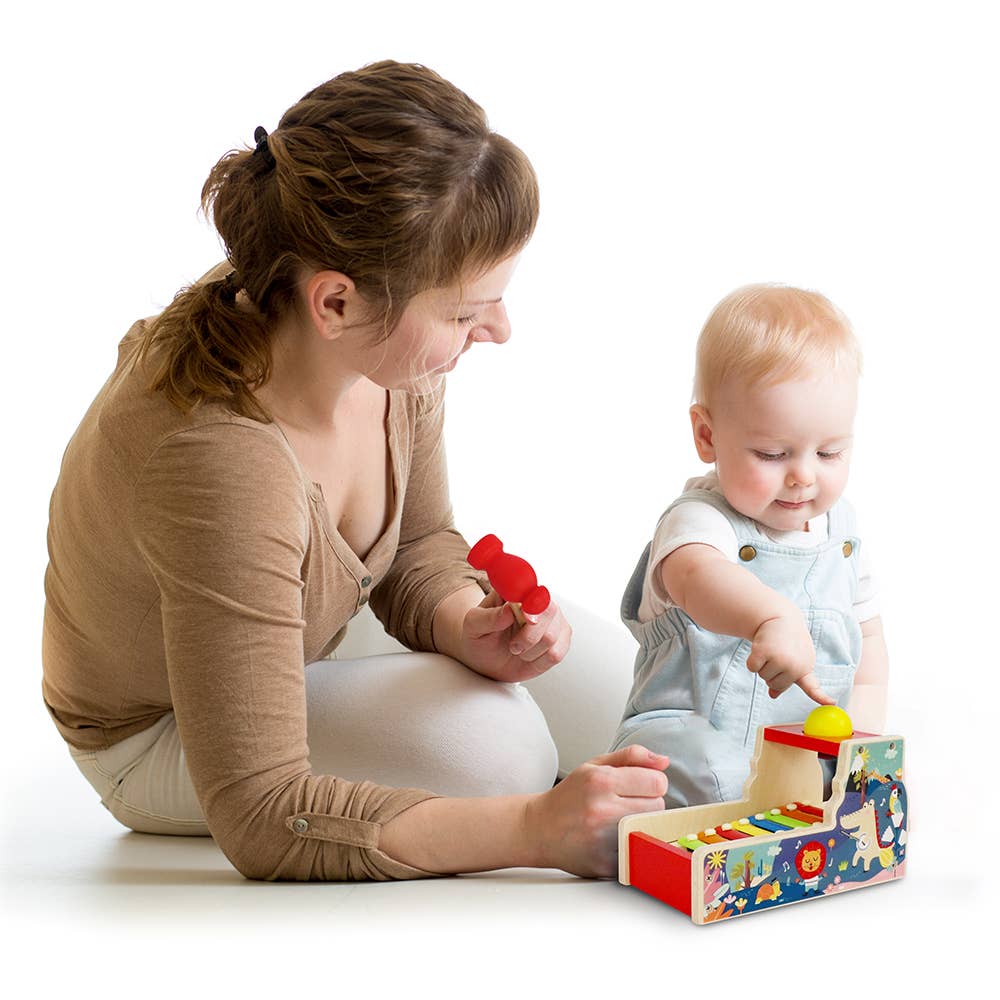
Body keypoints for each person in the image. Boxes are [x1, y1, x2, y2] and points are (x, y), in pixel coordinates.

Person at [42, 61, 668, 882]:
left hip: (309, 633)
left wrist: (457, 621)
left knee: (636, 698)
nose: (501, 331)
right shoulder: (219, 462)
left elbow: (419, 543)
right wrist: (531, 829)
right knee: (503, 757)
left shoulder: (367, 346)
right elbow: (262, 810)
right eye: (467, 311)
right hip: (161, 729)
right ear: (334, 303)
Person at [610, 284, 889, 808]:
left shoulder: (843, 537)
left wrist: (862, 742)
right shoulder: (699, 522)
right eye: (772, 452)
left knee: (877, 791)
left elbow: (869, 646)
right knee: (709, 776)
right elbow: (696, 578)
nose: (803, 476)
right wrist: (771, 618)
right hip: (688, 736)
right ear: (707, 436)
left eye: (830, 452)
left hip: (801, 750)